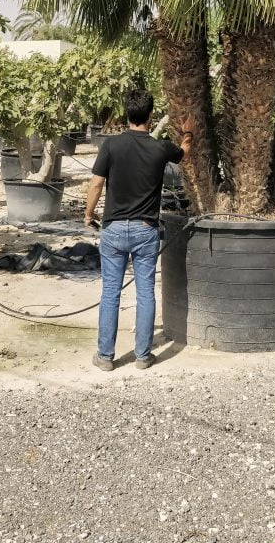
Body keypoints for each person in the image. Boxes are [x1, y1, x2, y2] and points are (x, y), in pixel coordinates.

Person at [85, 88, 194, 372]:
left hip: (114, 229)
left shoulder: (111, 145)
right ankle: (143, 356)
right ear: (151, 115)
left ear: (127, 114)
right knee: (145, 292)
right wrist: (188, 132)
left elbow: (96, 184)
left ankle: (105, 357)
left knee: (110, 293)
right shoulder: (161, 148)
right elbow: (184, 153)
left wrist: (88, 214)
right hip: (146, 230)